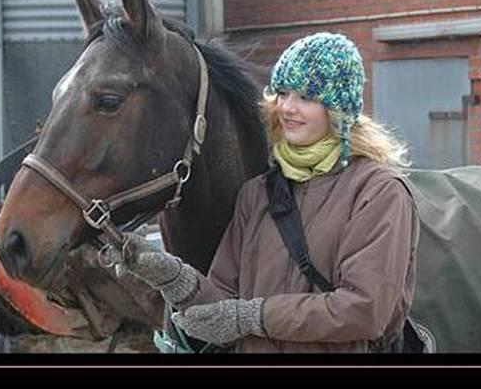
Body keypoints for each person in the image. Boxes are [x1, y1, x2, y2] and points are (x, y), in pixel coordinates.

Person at [114, 32, 420, 353]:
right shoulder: (258, 193)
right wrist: (172, 277)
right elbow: (223, 304)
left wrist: (254, 316)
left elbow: (365, 311)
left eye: (306, 97)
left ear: (339, 109)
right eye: (283, 93)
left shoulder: (378, 192)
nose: (288, 107)